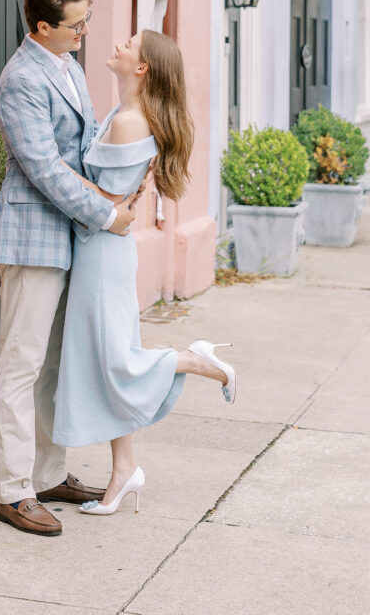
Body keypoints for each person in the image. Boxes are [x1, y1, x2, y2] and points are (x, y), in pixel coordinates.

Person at [0, 0, 140, 538]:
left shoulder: (66, 66)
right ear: (42, 26)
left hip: (68, 236)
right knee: (20, 366)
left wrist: (123, 181)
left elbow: (85, 144)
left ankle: (47, 474)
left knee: (51, 365)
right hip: (31, 237)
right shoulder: (22, 79)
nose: (85, 33)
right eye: (76, 25)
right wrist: (106, 213)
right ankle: (13, 492)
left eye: (87, 20)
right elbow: (44, 168)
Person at [52, 29, 237, 516]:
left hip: (102, 252)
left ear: (142, 69)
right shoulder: (123, 114)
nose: (118, 45)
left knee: (115, 362)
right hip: (102, 250)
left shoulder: (131, 121)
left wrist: (46, 167)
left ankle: (193, 361)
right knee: (107, 362)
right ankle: (123, 469)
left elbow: (106, 204)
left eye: (129, 45)